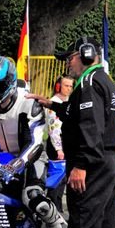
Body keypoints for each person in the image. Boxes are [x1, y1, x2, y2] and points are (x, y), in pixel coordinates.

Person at [27, 36, 115, 228]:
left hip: (91, 163)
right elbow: (84, 116)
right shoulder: (105, 81)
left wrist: (80, 165)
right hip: (109, 162)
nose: (68, 63)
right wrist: (51, 104)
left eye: (71, 57)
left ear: (87, 55)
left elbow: (90, 127)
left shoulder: (89, 83)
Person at [0, 56, 67, 228]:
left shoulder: (28, 103)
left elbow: (35, 144)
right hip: (0, 157)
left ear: (7, 85)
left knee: (32, 196)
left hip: (32, 156)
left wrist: (15, 166)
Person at [46, 75, 74, 212]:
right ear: (58, 86)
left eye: (70, 86)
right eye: (66, 85)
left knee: (63, 178)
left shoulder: (70, 102)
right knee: (56, 177)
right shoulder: (53, 103)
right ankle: (53, 206)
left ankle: (58, 207)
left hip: (67, 143)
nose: (68, 89)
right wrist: (59, 149)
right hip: (56, 145)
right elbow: (53, 129)